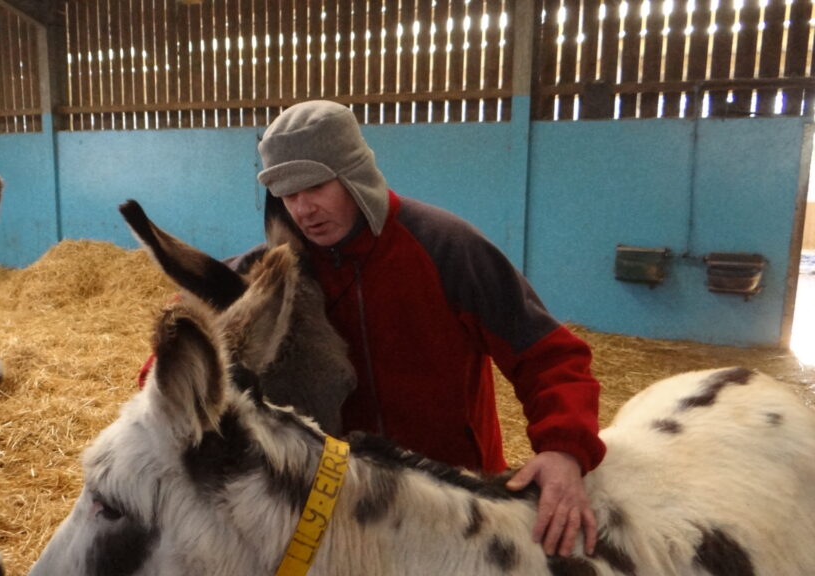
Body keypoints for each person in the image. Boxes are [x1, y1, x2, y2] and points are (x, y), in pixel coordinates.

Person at [254, 100, 606, 558]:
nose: (302, 209)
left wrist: (563, 449)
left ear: (353, 172)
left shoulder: (447, 248)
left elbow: (550, 356)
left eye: (316, 186)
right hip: (350, 514)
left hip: (460, 510)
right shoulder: (285, 272)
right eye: (286, 193)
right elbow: (192, 343)